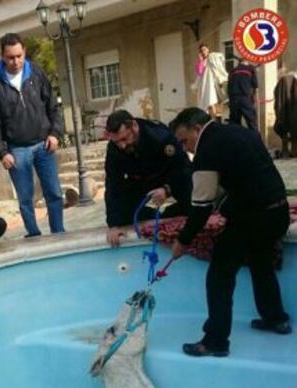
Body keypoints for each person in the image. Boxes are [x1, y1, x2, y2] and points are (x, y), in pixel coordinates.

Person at [170, 107, 291, 357]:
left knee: (219, 277)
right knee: (261, 262)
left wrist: (183, 240)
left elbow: (201, 206)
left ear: (196, 129)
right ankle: (275, 318)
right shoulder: (239, 131)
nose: (185, 148)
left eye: (184, 141)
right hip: (278, 211)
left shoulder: (207, 148)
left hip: (252, 217)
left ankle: (215, 341)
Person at [0, 33, 64, 237]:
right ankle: (34, 235)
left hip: (44, 144)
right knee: (26, 198)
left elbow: (53, 106)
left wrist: (55, 133)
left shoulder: (36, 73)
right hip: (17, 149)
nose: (16, 61)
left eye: (19, 56)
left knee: (54, 193)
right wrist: (2, 153)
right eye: (10, 57)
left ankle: (58, 233)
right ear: (2, 56)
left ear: (24, 52)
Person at [104, 110, 192, 247]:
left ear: (134, 126)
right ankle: (156, 216)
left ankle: (172, 213)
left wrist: (167, 189)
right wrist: (113, 225)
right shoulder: (114, 150)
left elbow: (183, 168)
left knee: (192, 201)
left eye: (124, 139)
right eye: (116, 142)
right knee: (122, 214)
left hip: (167, 175)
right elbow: (113, 185)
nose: (122, 146)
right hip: (139, 181)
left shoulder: (160, 135)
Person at [195, 44, 228, 118]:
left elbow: (221, 58)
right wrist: (200, 61)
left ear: (208, 49)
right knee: (209, 102)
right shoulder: (201, 62)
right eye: (201, 50)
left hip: (214, 83)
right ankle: (211, 117)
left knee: (213, 101)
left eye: (204, 49)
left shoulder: (212, 57)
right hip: (205, 85)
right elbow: (199, 72)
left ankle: (215, 118)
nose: (203, 52)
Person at [228, 58, 259, 130]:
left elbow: (229, 87)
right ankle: (254, 140)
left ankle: (236, 140)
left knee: (234, 125)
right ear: (247, 62)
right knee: (252, 123)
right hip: (245, 99)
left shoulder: (232, 71)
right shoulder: (251, 69)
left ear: (239, 63)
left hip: (233, 99)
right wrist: (255, 100)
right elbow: (255, 87)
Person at [273, 69, 297, 158]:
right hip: (293, 111)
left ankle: (285, 151)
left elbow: (276, 97)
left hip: (282, 111)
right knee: (294, 130)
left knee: (283, 130)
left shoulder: (281, 83)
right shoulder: (293, 81)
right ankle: (294, 151)